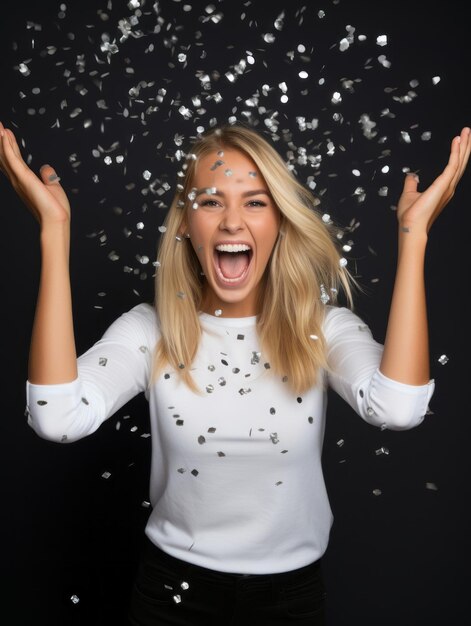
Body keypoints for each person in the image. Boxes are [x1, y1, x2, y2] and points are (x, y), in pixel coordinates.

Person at [0, 120, 469, 626]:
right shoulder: (149, 329)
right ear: (184, 222)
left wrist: (413, 236)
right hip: (169, 597)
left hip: (290, 599)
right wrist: (53, 231)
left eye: (255, 201)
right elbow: (56, 419)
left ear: (281, 221)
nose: (231, 222)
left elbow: (398, 409)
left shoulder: (324, 328)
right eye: (210, 201)